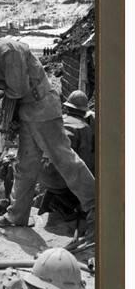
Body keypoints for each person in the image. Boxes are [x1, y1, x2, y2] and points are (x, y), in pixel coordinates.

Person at [0, 26, 95, 246]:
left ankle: (97, 209)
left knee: (64, 160)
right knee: (25, 166)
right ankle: (17, 215)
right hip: (30, 113)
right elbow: (13, 88)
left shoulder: (6, 51)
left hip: (43, 110)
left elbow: (18, 88)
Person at [39, 90, 95, 220]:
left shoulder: (57, 120)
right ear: (83, 111)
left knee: (57, 172)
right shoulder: (83, 128)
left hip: (40, 173)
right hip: (59, 179)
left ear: (67, 107)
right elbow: (85, 163)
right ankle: (63, 205)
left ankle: (50, 204)